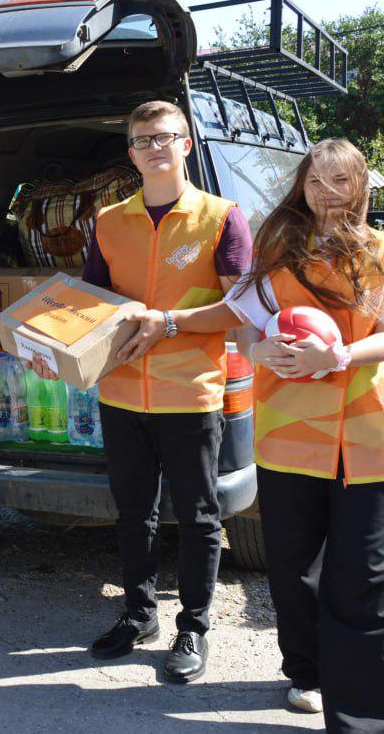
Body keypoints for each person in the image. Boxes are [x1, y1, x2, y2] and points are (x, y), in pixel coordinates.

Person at [35, 100, 252, 683]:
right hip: (122, 393)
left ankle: (196, 626)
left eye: (165, 137)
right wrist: (52, 347)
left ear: (185, 144)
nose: (155, 148)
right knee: (134, 512)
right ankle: (139, 613)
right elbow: (88, 304)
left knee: (201, 515)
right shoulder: (108, 220)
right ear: (131, 153)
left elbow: (243, 308)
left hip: (190, 392)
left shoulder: (222, 216)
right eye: (142, 141)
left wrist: (171, 322)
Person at [227, 138, 384, 729]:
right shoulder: (277, 251)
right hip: (290, 433)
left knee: (368, 573)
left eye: (339, 181)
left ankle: (366, 718)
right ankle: (309, 672)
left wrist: (338, 355)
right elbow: (243, 328)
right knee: (294, 566)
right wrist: (261, 346)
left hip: (368, 435)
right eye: (315, 181)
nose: (325, 194)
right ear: (302, 185)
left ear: (361, 186)